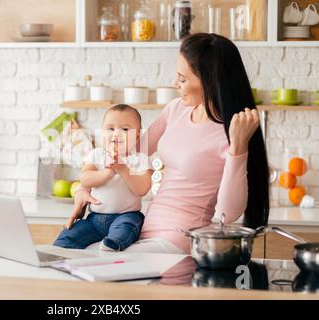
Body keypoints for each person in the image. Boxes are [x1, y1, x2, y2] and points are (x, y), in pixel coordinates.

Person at [66, 33, 270, 254]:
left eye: (183, 79)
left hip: (180, 239)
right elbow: (125, 153)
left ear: (210, 81)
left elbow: (227, 215)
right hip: (144, 229)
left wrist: (238, 148)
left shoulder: (228, 134)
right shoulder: (176, 110)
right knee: (73, 251)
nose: (175, 85)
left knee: (94, 260)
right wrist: (82, 188)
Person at [54, 104, 152, 251]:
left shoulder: (140, 159)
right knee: (71, 232)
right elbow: (85, 179)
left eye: (125, 129)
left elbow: (142, 189)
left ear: (137, 135)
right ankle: (59, 249)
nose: (116, 134)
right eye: (110, 128)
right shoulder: (97, 154)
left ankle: (113, 244)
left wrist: (122, 169)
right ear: (102, 133)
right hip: (94, 218)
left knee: (128, 227)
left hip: (125, 215)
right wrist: (107, 173)